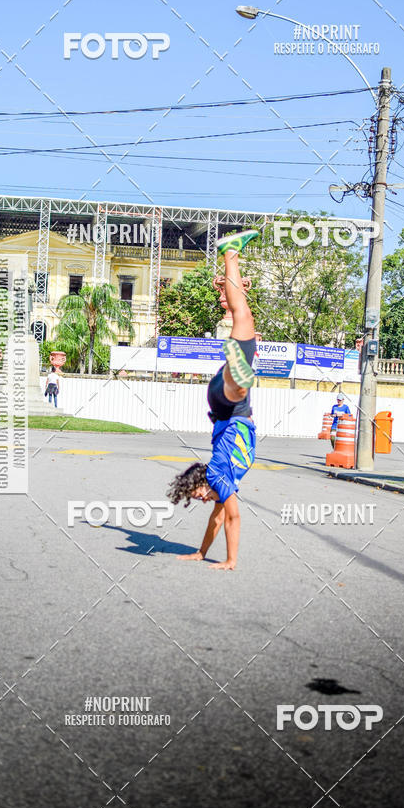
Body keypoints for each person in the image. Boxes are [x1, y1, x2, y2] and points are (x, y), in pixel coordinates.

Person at [167, 229, 259, 570]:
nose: (203, 500)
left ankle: (230, 252)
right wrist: (201, 553)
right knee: (243, 317)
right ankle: (238, 370)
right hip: (225, 402)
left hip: (230, 406)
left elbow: (233, 520)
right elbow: (218, 521)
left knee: (242, 321)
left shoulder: (220, 477)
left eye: (198, 495)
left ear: (202, 482)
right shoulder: (222, 482)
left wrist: (231, 560)